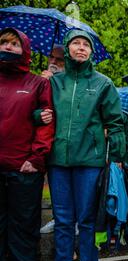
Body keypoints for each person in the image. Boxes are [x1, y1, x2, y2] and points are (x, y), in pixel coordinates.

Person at [40, 30, 125, 261]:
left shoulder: (103, 83)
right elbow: (36, 110)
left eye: (85, 44)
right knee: (63, 218)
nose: (81, 47)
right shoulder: (54, 82)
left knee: (87, 219)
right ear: (67, 50)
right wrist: (37, 105)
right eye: (76, 43)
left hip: (90, 160)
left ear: (91, 52)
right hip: (58, 160)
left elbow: (115, 122)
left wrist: (119, 158)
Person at [0, 27, 55, 261]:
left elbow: (47, 121)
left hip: (24, 168)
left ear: (25, 50)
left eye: (14, 44)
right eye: (4, 43)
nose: (8, 47)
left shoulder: (38, 83)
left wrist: (36, 158)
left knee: (22, 225)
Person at [39, 45, 65, 235]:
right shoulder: (40, 80)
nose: (53, 62)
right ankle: (57, 218)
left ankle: (65, 222)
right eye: (51, 58)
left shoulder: (66, 84)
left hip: (61, 142)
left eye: (59, 60)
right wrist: (41, 84)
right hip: (40, 145)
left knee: (61, 186)